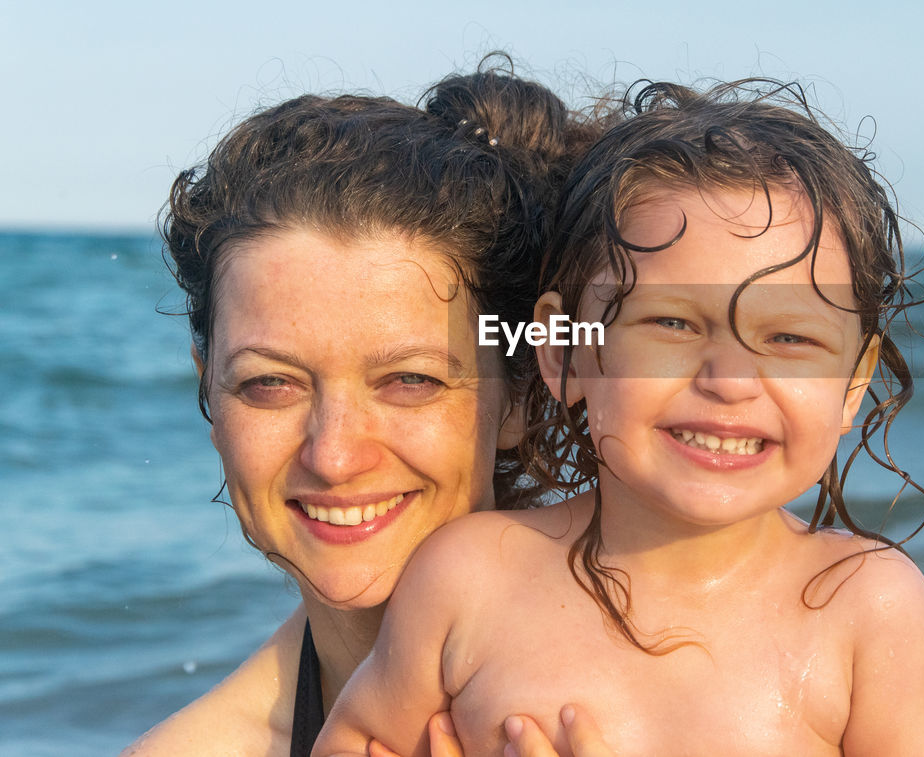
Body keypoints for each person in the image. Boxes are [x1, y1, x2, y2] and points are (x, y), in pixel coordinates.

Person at [316, 81, 924, 756]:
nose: (730, 380)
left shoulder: (865, 611)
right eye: (672, 323)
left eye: (789, 339)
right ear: (564, 347)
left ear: (852, 383)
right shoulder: (469, 579)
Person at [122, 62, 616, 757]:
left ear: (521, 393)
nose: (334, 453)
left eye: (410, 379)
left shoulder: (727, 682)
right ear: (209, 389)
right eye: (270, 383)